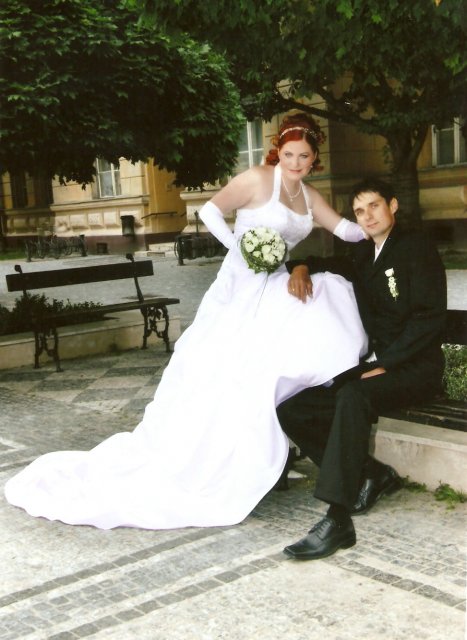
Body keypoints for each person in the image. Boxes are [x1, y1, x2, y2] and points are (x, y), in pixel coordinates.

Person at [4, 113, 368, 530]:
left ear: (314, 158)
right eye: (289, 155)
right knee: (219, 371)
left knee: (275, 355)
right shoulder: (256, 179)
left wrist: (376, 226)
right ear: (278, 152)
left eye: (304, 157)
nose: (296, 163)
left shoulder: (309, 195)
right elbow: (211, 211)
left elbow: (344, 230)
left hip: (275, 285)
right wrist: (240, 248)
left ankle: (257, 452)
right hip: (239, 286)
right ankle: (210, 459)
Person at [277, 177, 447, 560]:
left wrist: (385, 364)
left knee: (352, 396)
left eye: (374, 206)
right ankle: (372, 473)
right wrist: (299, 267)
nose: (367, 216)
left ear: (392, 205)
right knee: (294, 408)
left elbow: (428, 319)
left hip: (416, 368)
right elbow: (327, 263)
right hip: (380, 366)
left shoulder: (416, 248)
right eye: (359, 211)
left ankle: (337, 518)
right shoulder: (363, 253)